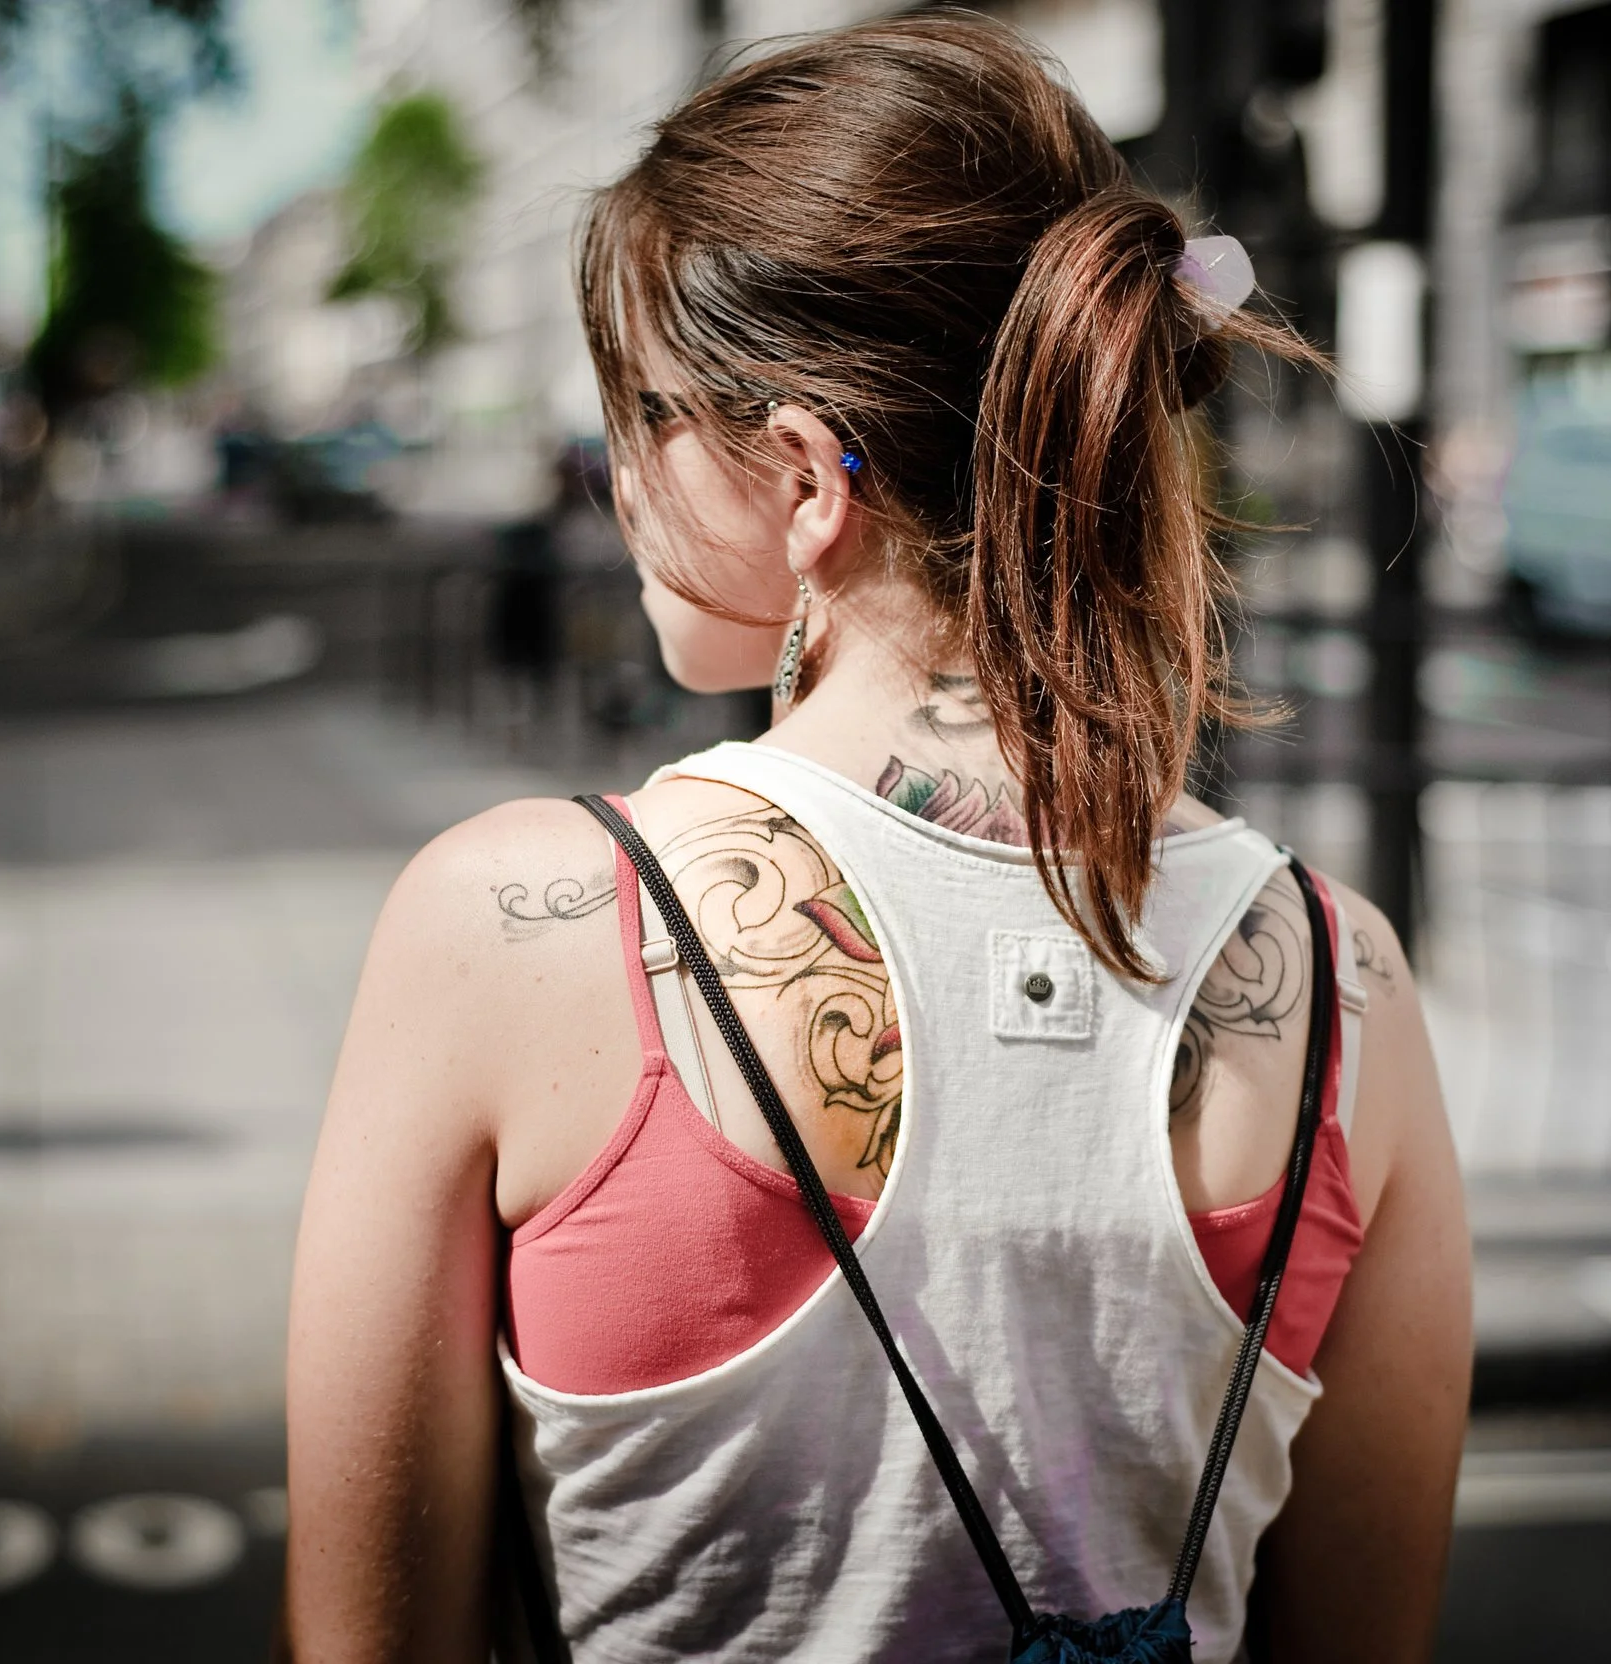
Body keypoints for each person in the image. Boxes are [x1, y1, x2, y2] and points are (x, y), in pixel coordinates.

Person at [285, 15, 1471, 1662]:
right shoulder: (1344, 983)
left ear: (802, 477)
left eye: (642, 411)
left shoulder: (512, 924)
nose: (617, 480)